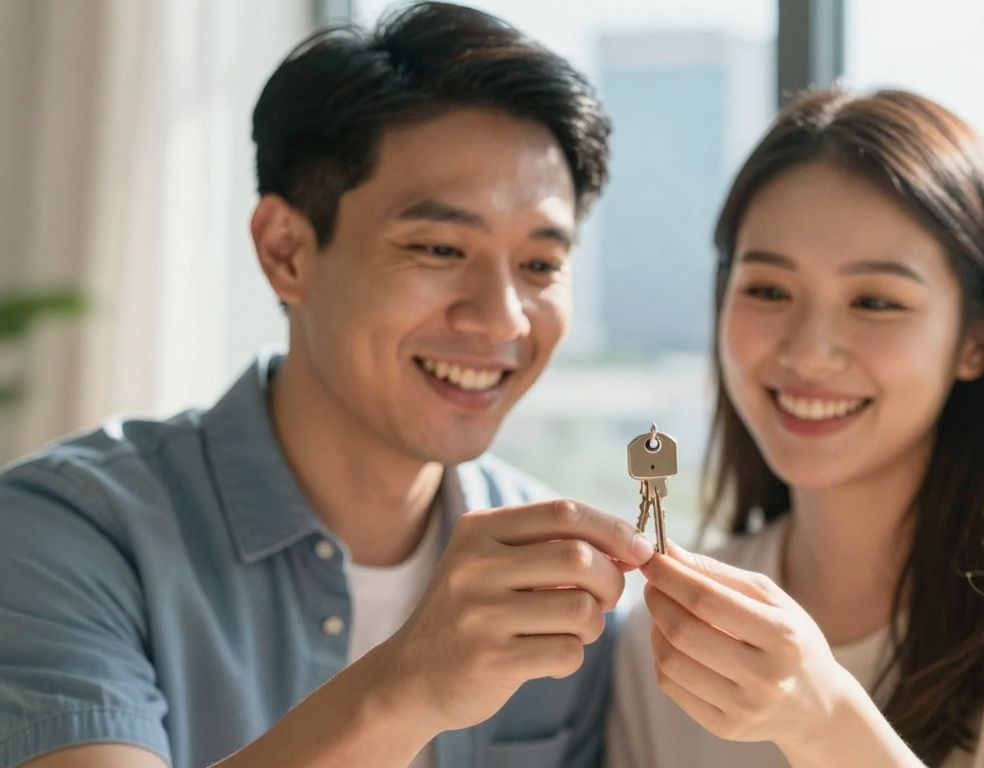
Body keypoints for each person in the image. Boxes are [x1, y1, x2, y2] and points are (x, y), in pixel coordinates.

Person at [0, 4, 658, 767]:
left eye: (540, 264)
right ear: (287, 251)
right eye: (441, 248)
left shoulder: (570, 591)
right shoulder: (65, 535)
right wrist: (406, 690)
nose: (501, 318)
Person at [608, 87, 984, 767]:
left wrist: (823, 721)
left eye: (875, 301)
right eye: (767, 290)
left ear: (979, 336)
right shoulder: (666, 626)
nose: (808, 352)